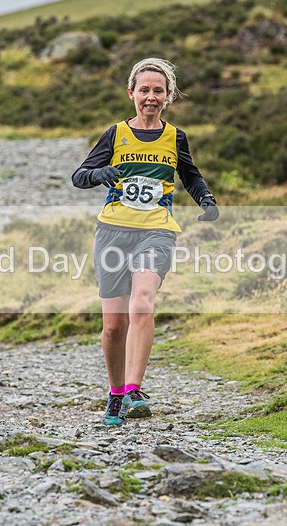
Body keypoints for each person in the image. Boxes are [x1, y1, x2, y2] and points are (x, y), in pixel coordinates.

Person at [72, 57, 219, 427]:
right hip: (112, 232)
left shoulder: (175, 137)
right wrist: (100, 172)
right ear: (131, 94)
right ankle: (116, 393)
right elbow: (80, 176)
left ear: (168, 96)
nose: (150, 97)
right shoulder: (115, 134)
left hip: (157, 231)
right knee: (114, 326)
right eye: (144, 90)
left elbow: (191, 176)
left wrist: (206, 201)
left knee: (142, 303)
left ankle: (135, 391)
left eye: (158, 91)